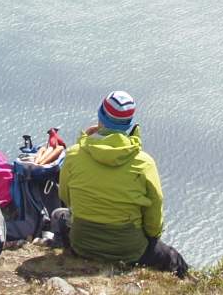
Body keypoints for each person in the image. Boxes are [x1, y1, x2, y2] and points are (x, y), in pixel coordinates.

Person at [53, 90, 189, 277]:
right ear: (130, 123)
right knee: (175, 260)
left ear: (100, 116)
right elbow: (154, 213)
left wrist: (84, 140)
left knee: (58, 216)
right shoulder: (144, 163)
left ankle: (62, 253)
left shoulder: (74, 154)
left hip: (83, 245)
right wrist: (152, 237)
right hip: (130, 250)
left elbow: (65, 198)